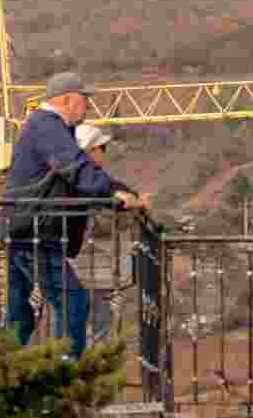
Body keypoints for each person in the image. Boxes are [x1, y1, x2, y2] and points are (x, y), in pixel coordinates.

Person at [2, 72, 141, 359]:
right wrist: (114, 195)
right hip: (36, 232)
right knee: (72, 302)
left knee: (20, 314)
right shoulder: (48, 126)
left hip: (24, 229)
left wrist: (120, 193)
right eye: (84, 99)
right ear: (67, 100)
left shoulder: (45, 126)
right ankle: (63, 373)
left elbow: (76, 174)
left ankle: (0, 373)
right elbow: (76, 169)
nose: (87, 105)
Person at [72, 124, 151, 345]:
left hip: (80, 266)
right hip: (100, 266)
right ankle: (93, 363)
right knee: (100, 329)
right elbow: (119, 201)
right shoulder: (95, 182)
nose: (103, 153)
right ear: (91, 151)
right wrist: (134, 202)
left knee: (74, 323)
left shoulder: (71, 180)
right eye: (102, 148)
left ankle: (72, 361)